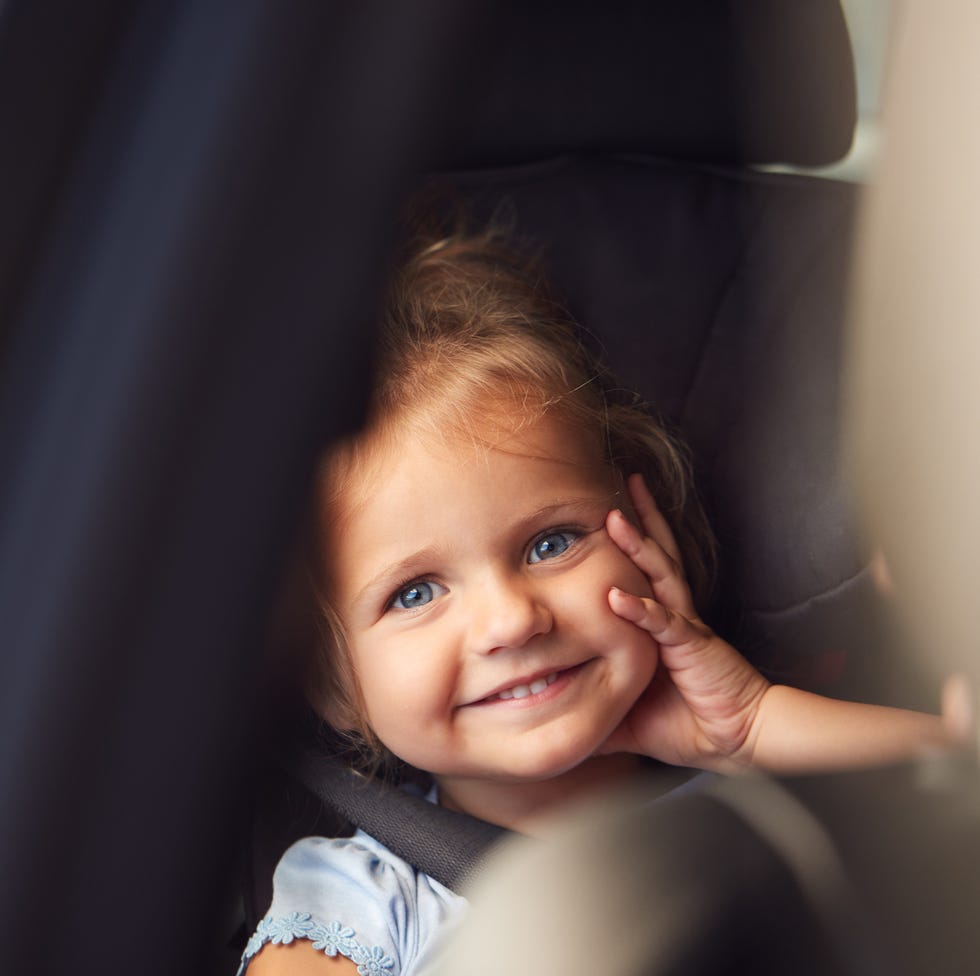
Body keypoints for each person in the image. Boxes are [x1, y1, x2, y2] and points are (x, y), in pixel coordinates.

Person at [240, 226, 955, 976]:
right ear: (332, 684)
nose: (513, 620)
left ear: (649, 543)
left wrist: (748, 731)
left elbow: (958, 798)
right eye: (414, 593)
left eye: (551, 544)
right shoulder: (358, 907)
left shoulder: (759, 802)